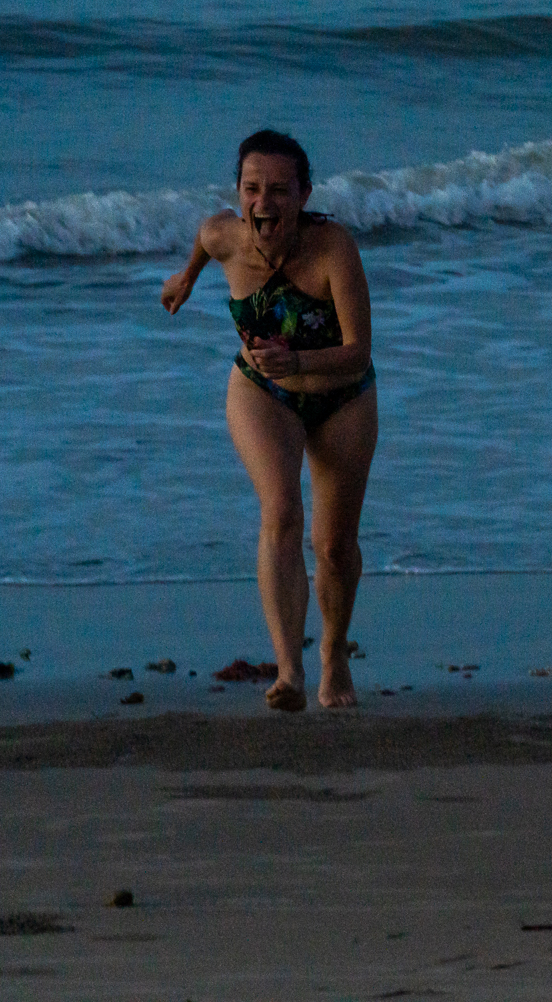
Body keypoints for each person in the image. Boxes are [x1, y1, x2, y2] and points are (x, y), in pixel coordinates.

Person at [161, 130, 378, 711]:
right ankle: (289, 672)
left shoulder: (333, 248)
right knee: (280, 511)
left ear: (304, 195)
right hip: (262, 390)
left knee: (334, 546)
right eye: (252, 188)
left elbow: (359, 352)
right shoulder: (225, 235)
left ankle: (333, 654)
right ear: (238, 193)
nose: (264, 202)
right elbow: (205, 240)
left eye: (280, 190)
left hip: (341, 395)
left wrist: (300, 361)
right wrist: (185, 279)